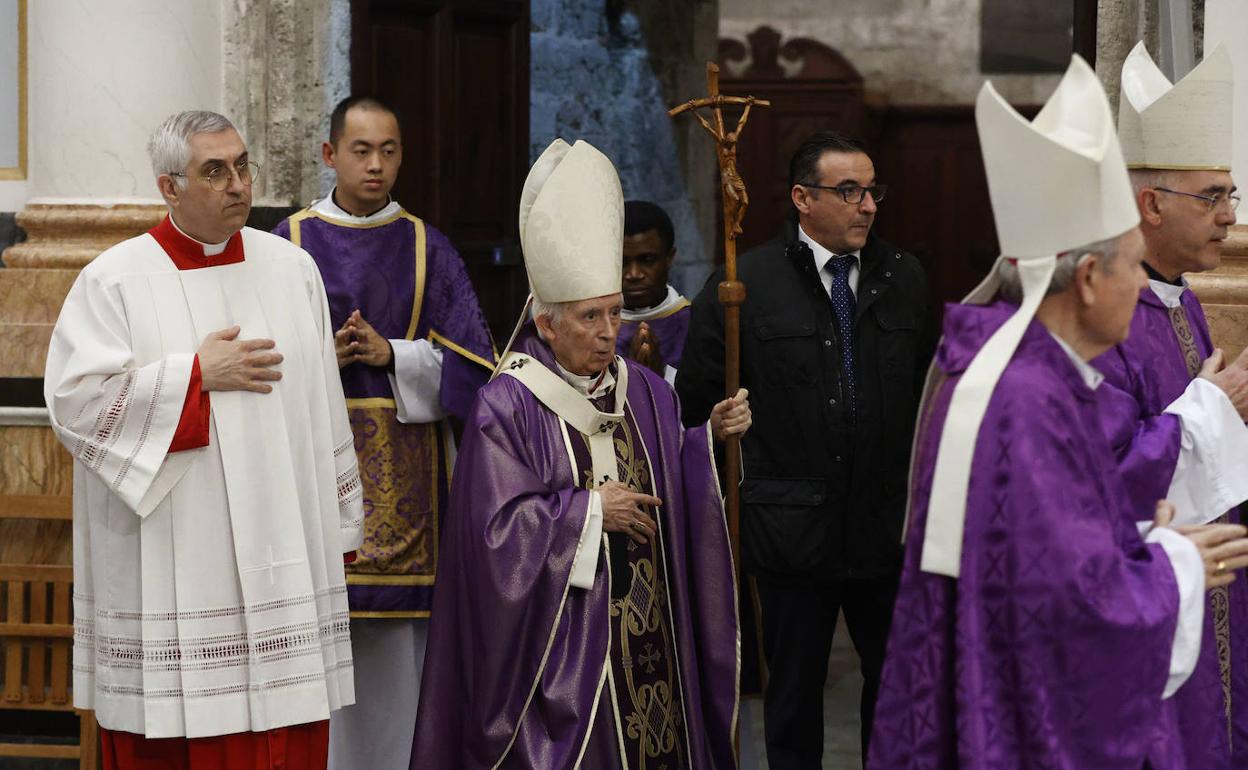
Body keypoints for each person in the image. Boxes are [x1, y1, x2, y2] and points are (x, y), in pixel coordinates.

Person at [868, 55, 1248, 769]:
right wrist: (1173, 560)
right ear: (1090, 276)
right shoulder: (1025, 399)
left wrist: (1138, 538)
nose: (1144, 285)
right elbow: (1072, 606)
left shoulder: (1023, 375)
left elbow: (1047, 555)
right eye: (1134, 266)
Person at [411, 138, 749, 768]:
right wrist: (588, 512)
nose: (606, 334)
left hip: (653, 641)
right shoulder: (506, 406)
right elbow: (493, 539)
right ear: (547, 324)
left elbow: (673, 476)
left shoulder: (645, 390)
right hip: (566, 650)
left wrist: (710, 442)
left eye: (615, 314)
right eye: (589, 317)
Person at [44, 111, 362, 769]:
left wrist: (339, 524)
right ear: (168, 186)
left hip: (284, 554)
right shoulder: (114, 281)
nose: (238, 185)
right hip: (177, 556)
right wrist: (194, 376)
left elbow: (324, 403)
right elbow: (76, 404)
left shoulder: (294, 270)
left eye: (243, 166)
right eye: (214, 171)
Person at [676, 130, 933, 766]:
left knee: (898, 690)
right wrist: (716, 422)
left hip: (886, 522)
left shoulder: (904, 276)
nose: (867, 205)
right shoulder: (744, 283)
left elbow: (933, 391)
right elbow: (693, 402)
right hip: (791, 527)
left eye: (872, 190)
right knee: (790, 700)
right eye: (848, 191)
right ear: (802, 198)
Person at [272, 95, 495, 770]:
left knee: (402, 659)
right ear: (329, 154)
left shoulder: (430, 245)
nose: (375, 165)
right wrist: (320, 358)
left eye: (389, 150)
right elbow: (248, 356)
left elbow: (479, 367)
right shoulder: (286, 244)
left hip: (410, 492)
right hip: (313, 474)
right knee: (319, 645)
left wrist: (391, 354)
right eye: (361, 150)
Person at [1093, 42, 1248, 768]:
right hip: (1145, 603)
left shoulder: (1181, 300)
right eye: (1211, 197)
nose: (1228, 217)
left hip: (1212, 579)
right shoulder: (1102, 318)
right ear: (1150, 204)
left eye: (1231, 196)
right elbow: (1102, 476)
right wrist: (1213, 406)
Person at [617, 199, 690, 382]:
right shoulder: (588, 327)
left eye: (647, 260)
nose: (634, 274)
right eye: (622, 262)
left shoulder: (696, 324)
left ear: (669, 258)